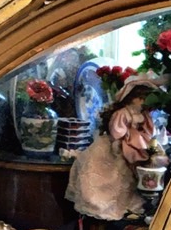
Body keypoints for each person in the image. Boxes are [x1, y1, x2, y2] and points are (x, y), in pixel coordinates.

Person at [65, 75, 161, 220]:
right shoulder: (122, 113)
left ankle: (135, 202)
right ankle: (104, 203)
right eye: (140, 98)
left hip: (137, 142)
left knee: (145, 162)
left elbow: (150, 129)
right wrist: (125, 137)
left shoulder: (144, 115)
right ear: (130, 98)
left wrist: (143, 133)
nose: (143, 102)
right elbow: (116, 130)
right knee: (112, 172)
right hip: (119, 143)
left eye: (145, 99)